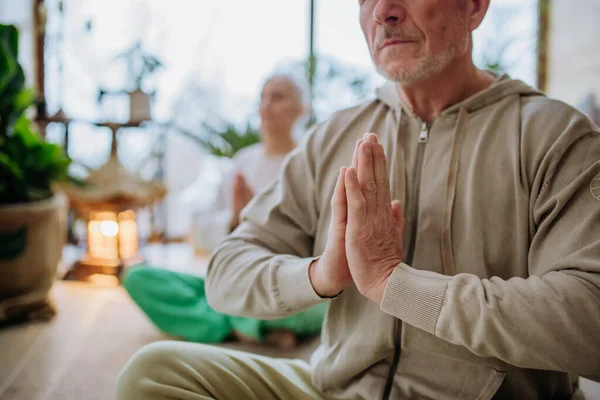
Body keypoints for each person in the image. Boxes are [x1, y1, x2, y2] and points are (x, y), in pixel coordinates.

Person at [117, 1, 600, 399]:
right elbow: (224, 275)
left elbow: (590, 322)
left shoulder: (554, 135)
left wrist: (396, 284)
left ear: (474, 6)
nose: (384, 11)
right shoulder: (335, 136)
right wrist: (322, 274)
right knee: (153, 373)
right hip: (337, 391)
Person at [122, 74, 327, 349]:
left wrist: (264, 223)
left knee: (327, 304)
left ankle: (236, 324)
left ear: (303, 109)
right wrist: (235, 220)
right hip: (237, 285)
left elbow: (323, 250)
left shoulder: (315, 164)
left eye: (277, 98)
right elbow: (202, 234)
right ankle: (250, 327)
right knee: (137, 278)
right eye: (262, 98)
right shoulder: (243, 162)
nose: (265, 107)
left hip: (288, 287)